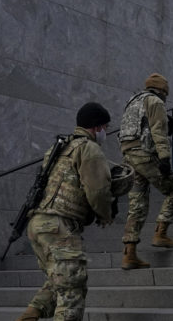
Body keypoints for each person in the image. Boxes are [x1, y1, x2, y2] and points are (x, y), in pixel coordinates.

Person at [15, 102, 115, 321]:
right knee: (72, 292)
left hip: (38, 223)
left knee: (58, 281)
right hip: (58, 226)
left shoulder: (59, 148)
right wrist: (105, 215)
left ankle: (29, 316)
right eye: (105, 128)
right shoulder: (89, 148)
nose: (106, 132)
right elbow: (98, 190)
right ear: (96, 128)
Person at [117, 74, 173, 270]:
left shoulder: (133, 101)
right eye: (166, 93)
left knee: (137, 205)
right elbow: (158, 131)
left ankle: (129, 254)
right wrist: (164, 158)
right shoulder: (155, 102)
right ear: (162, 91)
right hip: (146, 156)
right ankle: (160, 234)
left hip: (129, 157)